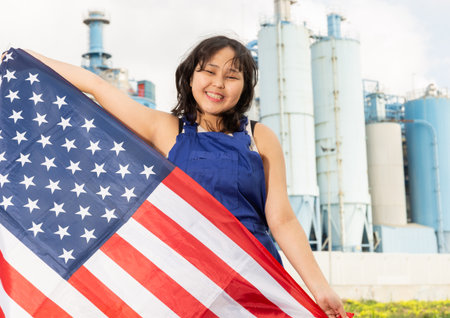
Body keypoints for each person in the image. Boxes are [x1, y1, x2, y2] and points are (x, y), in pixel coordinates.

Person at [10, 35, 346, 317]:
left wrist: (319, 287)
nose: (218, 84)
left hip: (253, 277)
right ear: (190, 76)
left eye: (231, 76)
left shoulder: (261, 137)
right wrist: (20, 58)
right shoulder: (166, 129)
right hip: (187, 280)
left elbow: (282, 220)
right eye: (209, 71)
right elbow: (97, 87)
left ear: (244, 88)